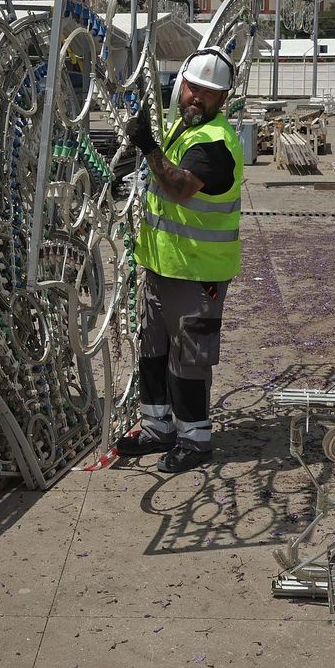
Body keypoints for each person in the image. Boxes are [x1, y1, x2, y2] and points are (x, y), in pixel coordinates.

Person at [116, 47, 245, 473]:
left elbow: (179, 188)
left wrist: (148, 145)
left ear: (222, 99)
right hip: (162, 268)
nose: (198, 98)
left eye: (209, 93)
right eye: (193, 88)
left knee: (189, 359)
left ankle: (195, 439)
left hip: (197, 274)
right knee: (153, 351)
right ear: (181, 86)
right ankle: (158, 428)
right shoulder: (185, 129)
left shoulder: (214, 143)